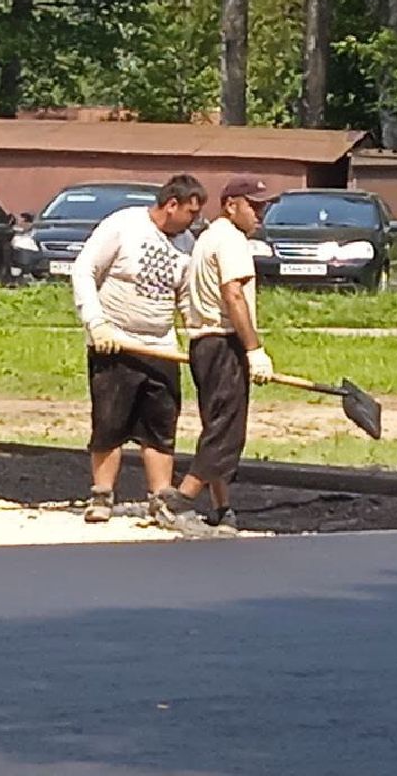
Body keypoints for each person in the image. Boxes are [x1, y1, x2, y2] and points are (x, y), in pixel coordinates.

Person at [71, 173, 206, 527]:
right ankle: (102, 495)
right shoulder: (124, 225)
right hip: (115, 343)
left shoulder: (187, 243)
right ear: (172, 204)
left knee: (160, 426)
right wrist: (96, 323)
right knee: (109, 423)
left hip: (161, 347)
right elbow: (84, 271)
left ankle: (160, 498)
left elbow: (186, 296)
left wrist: (199, 336)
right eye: (191, 212)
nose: (195, 220)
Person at [162, 175, 278, 533]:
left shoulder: (208, 237)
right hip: (224, 341)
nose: (260, 214)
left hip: (204, 343)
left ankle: (221, 505)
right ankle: (180, 499)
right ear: (231, 205)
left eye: (263, 207)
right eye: (253, 206)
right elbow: (233, 294)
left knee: (216, 424)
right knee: (227, 431)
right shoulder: (231, 240)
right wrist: (254, 349)